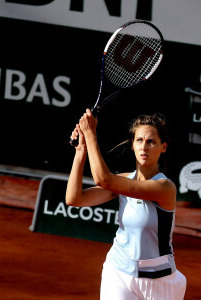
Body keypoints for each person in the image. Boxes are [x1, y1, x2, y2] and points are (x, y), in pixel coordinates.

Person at [66, 108, 187, 300]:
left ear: (163, 147)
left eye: (151, 142)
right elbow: (75, 199)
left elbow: (103, 180)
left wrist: (91, 134)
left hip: (159, 282)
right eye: (139, 140)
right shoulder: (122, 181)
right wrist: (81, 150)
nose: (144, 147)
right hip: (118, 273)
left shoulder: (164, 187)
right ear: (132, 145)